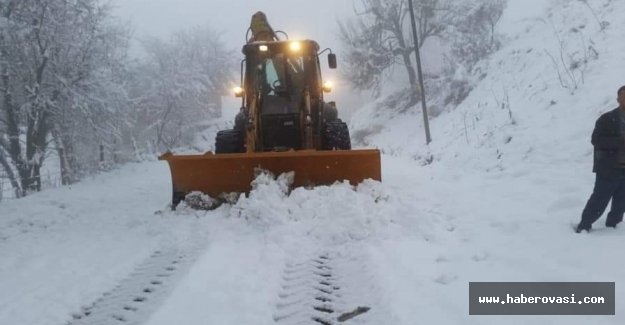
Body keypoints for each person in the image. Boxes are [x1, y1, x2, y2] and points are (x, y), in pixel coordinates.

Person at [576, 85, 625, 233]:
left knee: (621, 202)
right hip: (609, 168)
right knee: (599, 200)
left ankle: (613, 226)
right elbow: (596, 140)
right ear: (618, 99)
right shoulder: (607, 118)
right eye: (624, 95)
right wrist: (619, 141)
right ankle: (584, 226)